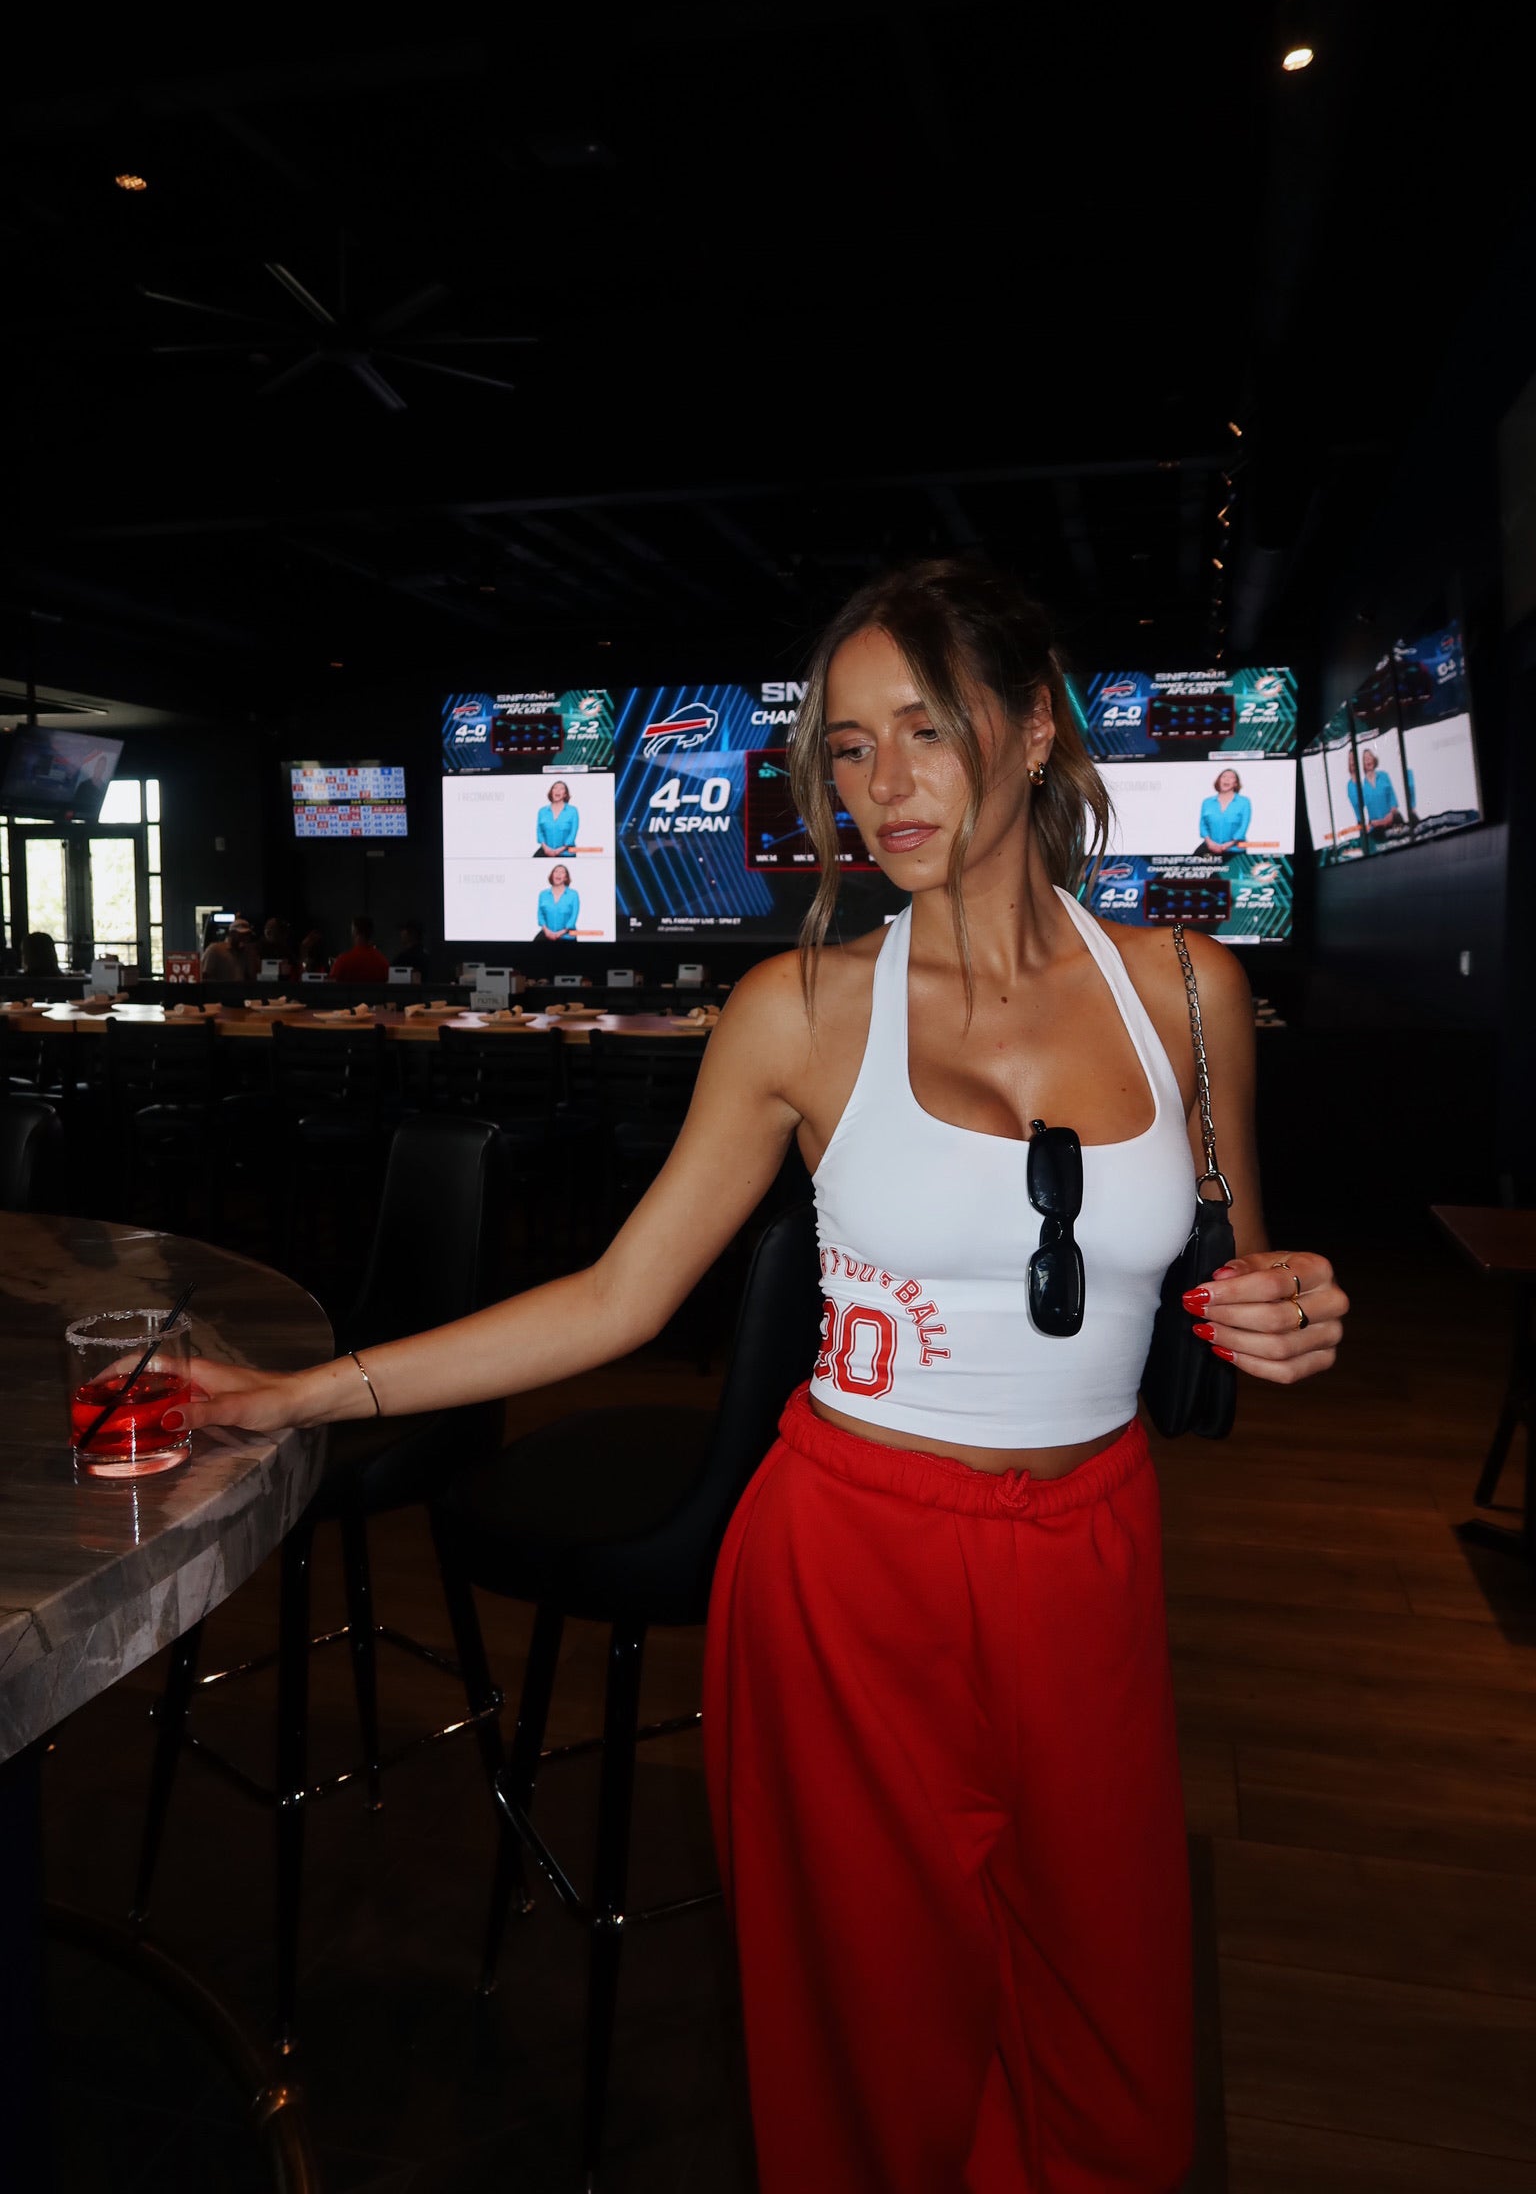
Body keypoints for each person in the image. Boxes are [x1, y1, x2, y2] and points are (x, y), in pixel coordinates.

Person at [174, 558, 1348, 2194]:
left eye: (922, 731)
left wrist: (1277, 1312)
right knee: (869, 2032)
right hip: (843, 1560)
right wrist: (298, 1393)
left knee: (1109, 2011)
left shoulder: (1189, 993)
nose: (880, 785)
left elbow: (1230, 1287)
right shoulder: (797, 1009)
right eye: (849, 747)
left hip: (1090, 1553)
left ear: (1025, 728)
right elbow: (614, 1295)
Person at [1346, 744, 1413, 832]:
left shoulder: (1384, 776)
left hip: (1392, 822)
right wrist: (1378, 823)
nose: (1368, 759)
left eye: (1370, 756)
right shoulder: (1354, 785)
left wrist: (1389, 817)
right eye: (1365, 758)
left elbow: (1392, 800)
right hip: (1373, 828)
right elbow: (1358, 807)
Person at [1196, 765, 1251, 852]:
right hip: (1210, 846)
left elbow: (1243, 827)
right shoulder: (1207, 802)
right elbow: (1202, 825)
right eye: (1224, 777)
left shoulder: (1244, 802)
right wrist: (1210, 843)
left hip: (1235, 848)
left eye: (1231, 777)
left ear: (1236, 783)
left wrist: (1227, 845)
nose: (1227, 779)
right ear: (1218, 781)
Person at [328, 913, 390, 984]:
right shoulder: (383, 963)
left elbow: (328, 987)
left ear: (355, 931)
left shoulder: (343, 961)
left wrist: (334, 967)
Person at [535, 778, 580, 856]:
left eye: (561, 789)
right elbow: (539, 832)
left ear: (565, 794)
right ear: (551, 792)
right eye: (555, 788)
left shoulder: (573, 811)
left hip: (566, 851)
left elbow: (573, 833)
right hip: (546, 850)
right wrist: (546, 848)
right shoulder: (542, 811)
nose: (557, 791)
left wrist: (559, 850)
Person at [535, 865, 580, 939]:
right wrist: (546, 931)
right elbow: (540, 915)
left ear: (566, 878)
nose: (558, 874)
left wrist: (560, 933)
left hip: (566, 934)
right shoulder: (543, 894)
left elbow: (573, 917)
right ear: (552, 875)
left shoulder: (573, 894)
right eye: (556, 871)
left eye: (562, 872)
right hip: (547, 932)